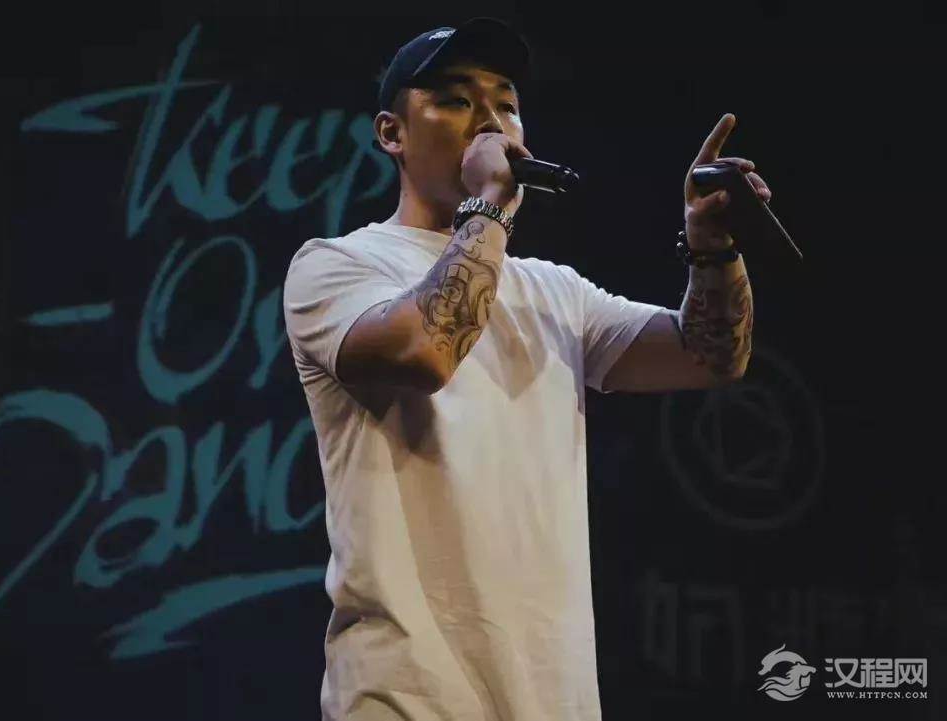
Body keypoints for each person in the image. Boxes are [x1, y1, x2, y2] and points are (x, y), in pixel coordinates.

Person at [282, 16, 765, 721]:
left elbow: (709, 356)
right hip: (409, 697)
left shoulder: (554, 290)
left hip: (553, 698)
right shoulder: (338, 265)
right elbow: (427, 351)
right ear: (392, 133)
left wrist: (711, 248)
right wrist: (488, 209)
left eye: (505, 105)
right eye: (455, 99)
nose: (489, 122)